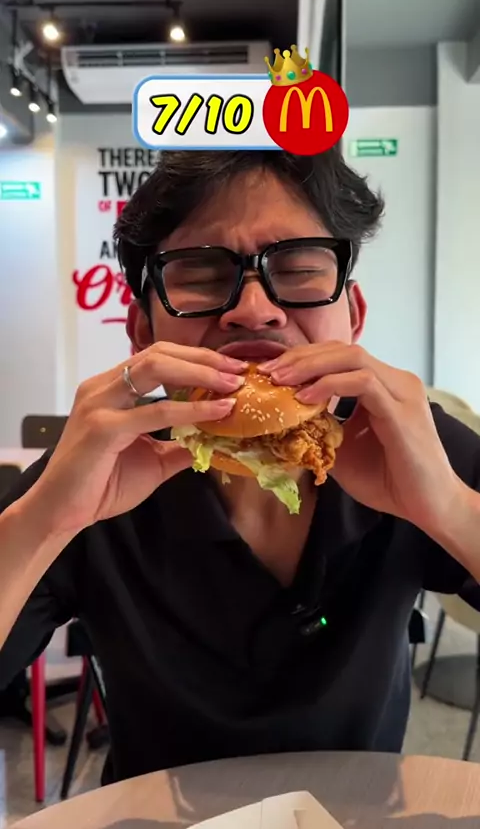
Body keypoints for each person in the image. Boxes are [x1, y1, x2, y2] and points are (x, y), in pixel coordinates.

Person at [1, 148, 480, 786]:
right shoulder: (99, 460)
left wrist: (447, 508)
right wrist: (44, 522)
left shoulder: (404, 440)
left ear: (354, 316)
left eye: (299, 268)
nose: (254, 309)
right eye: (201, 273)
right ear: (142, 331)